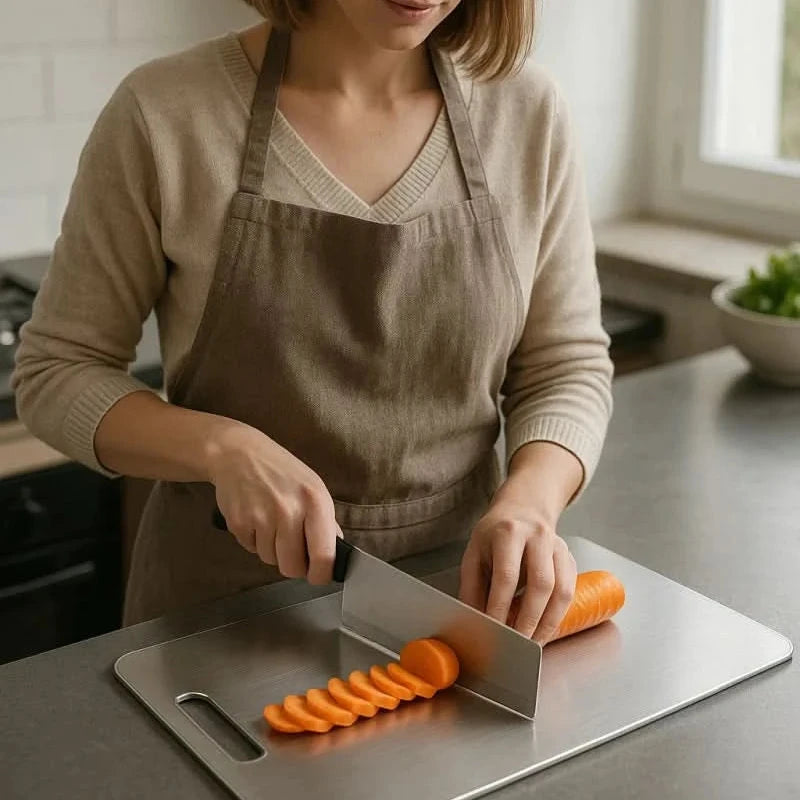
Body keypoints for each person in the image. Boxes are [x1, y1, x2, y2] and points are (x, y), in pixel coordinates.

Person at [13, 0, 613, 640]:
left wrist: (530, 503)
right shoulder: (166, 113)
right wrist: (224, 450)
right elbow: (56, 373)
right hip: (217, 617)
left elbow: (566, 366)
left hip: (461, 604)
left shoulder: (526, 111)